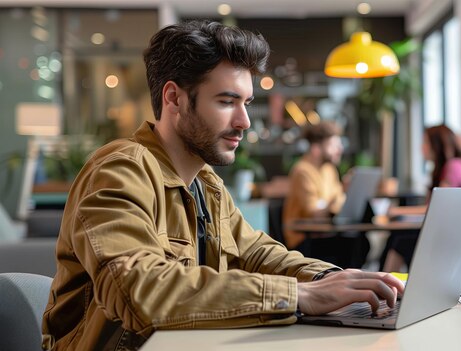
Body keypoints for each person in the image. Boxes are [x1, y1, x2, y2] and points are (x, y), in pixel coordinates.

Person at [41, 20, 403, 351]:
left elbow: (259, 254)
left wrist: (338, 280)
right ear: (174, 98)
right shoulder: (120, 169)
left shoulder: (206, 183)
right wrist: (298, 295)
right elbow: (137, 291)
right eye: (227, 101)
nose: (244, 121)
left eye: (246, 103)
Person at [382, 124, 461, 272]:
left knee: (399, 241)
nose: (421, 148)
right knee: (399, 238)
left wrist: (397, 211)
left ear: (436, 145)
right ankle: (384, 285)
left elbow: (436, 208)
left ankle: (383, 287)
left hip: (450, 242)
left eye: (425, 142)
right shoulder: (454, 166)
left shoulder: (452, 167)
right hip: (450, 236)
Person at [282, 121, 370, 268]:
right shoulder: (302, 171)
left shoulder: (329, 170)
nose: (339, 149)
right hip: (303, 241)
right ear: (316, 149)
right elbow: (315, 213)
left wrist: (347, 193)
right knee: (353, 245)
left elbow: (338, 201)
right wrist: (339, 198)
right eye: (333, 145)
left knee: (360, 242)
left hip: (326, 234)